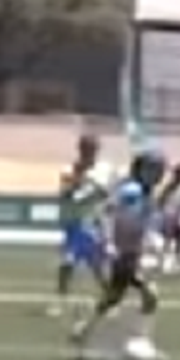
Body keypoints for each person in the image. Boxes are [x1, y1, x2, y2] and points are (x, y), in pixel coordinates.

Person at [70, 152, 166, 360]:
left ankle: (84, 330)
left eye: (158, 170)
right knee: (149, 294)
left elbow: (141, 220)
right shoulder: (131, 190)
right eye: (152, 169)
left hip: (132, 251)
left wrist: (150, 241)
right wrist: (108, 241)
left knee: (114, 297)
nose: (157, 174)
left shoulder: (146, 192)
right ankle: (142, 341)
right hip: (121, 252)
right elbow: (106, 213)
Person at [54, 134, 111, 316]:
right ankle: (60, 301)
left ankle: (110, 301)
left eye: (92, 149)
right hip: (73, 223)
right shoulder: (69, 169)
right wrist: (77, 179)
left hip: (91, 223)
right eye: (86, 149)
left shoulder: (102, 170)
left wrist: (89, 184)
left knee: (97, 268)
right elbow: (65, 194)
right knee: (67, 263)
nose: (89, 153)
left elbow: (104, 193)